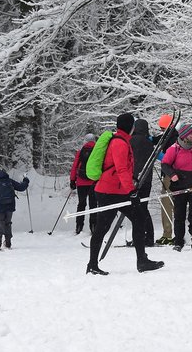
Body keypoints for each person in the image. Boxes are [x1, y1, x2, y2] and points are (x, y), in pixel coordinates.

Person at [86, 112, 164, 275]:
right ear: (130, 126)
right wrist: (132, 191)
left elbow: (123, 168)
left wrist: (132, 181)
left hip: (117, 190)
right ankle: (92, 264)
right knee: (102, 227)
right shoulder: (120, 143)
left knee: (139, 218)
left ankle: (142, 260)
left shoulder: (122, 141)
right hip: (109, 191)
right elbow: (120, 169)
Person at [161, 123, 192, 251]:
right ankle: (178, 241)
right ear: (184, 136)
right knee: (179, 214)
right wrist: (172, 175)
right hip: (180, 186)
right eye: (191, 133)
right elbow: (165, 164)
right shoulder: (174, 148)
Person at [129, 119, 155, 246]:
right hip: (147, 179)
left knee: (135, 209)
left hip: (134, 179)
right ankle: (149, 236)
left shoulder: (130, 141)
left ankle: (139, 237)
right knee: (143, 208)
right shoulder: (149, 143)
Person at [69, 134, 97, 235]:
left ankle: (79, 226)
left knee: (81, 204)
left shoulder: (80, 152)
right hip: (94, 182)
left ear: (85, 141)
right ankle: (93, 226)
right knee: (93, 204)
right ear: (94, 141)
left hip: (81, 182)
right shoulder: (97, 151)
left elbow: (74, 167)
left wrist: (72, 180)